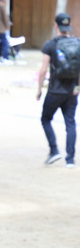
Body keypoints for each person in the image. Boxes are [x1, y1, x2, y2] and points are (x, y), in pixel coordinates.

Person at [37, 12, 80, 168]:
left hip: (55, 91)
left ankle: (54, 150)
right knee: (70, 123)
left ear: (55, 25)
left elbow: (43, 70)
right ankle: (70, 159)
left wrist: (39, 89)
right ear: (68, 26)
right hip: (72, 92)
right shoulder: (78, 43)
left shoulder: (50, 45)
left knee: (46, 119)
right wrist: (77, 87)